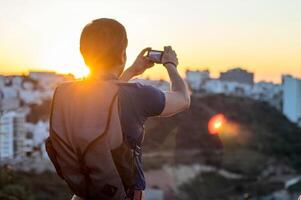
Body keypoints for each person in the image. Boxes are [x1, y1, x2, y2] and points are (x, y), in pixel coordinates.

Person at [50, 18, 190, 200]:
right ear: (122, 54)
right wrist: (171, 65)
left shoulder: (68, 93)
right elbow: (183, 99)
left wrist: (131, 71)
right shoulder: (137, 95)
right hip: (122, 195)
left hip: (83, 193)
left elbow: (107, 95)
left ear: (83, 54)